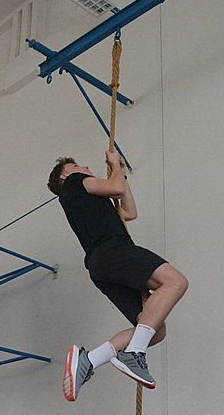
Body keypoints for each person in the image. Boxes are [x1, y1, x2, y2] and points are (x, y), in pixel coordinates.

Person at [47, 150, 188, 401]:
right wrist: (115, 167)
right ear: (65, 176)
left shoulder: (86, 201)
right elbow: (116, 188)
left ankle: (89, 360)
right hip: (112, 251)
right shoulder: (75, 183)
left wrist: (119, 171)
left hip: (101, 266)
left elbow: (129, 212)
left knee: (155, 330)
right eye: (78, 166)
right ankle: (134, 352)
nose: (86, 167)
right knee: (175, 281)